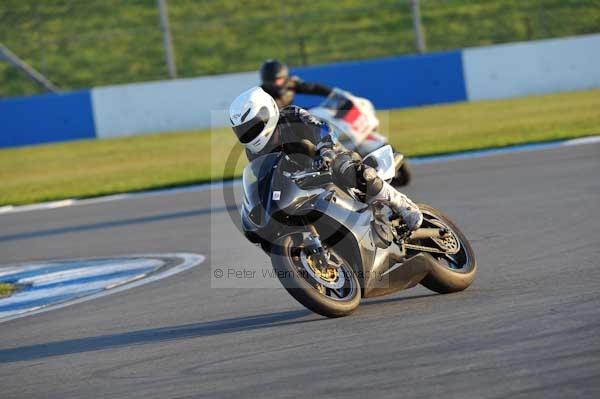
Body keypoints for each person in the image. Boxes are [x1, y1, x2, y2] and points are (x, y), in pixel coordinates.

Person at [228, 87, 423, 231]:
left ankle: (403, 205)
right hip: (302, 183)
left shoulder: (292, 116)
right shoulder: (253, 152)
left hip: (327, 161)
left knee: (349, 169)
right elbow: (265, 178)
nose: (249, 134)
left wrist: (326, 151)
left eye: (253, 127)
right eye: (243, 131)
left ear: (267, 112)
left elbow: (321, 128)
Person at [260, 59, 332, 108]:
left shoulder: (291, 84)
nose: (276, 83)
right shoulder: (261, 94)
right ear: (266, 80)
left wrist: (331, 93)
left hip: (292, 123)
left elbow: (314, 88)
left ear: (285, 76)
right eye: (272, 80)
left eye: (279, 79)